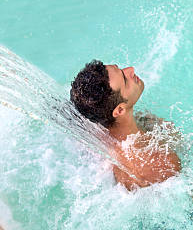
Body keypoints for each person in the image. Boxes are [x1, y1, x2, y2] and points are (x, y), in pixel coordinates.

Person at [70, 60, 181, 189]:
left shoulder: (99, 125)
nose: (131, 69)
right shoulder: (157, 163)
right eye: (125, 79)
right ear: (120, 110)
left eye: (121, 69)